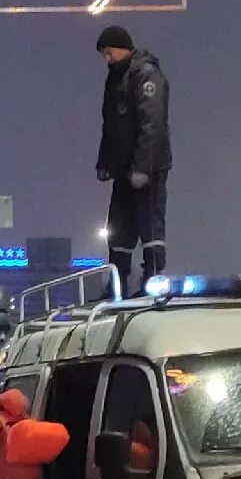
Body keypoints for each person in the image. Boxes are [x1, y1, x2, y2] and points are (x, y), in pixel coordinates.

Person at [94, 23, 173, 294]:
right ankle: (117, 284)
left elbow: (153, 124)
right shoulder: (116, 79)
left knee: (149, 225)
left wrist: (143, 167)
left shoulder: (146, 75)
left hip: (148, 169)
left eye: (109, 52)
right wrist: (105, 163)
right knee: (118, 229)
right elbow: (110, 127)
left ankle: (152, 279)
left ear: (122, 48)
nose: (107, 59)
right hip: (123, 170)